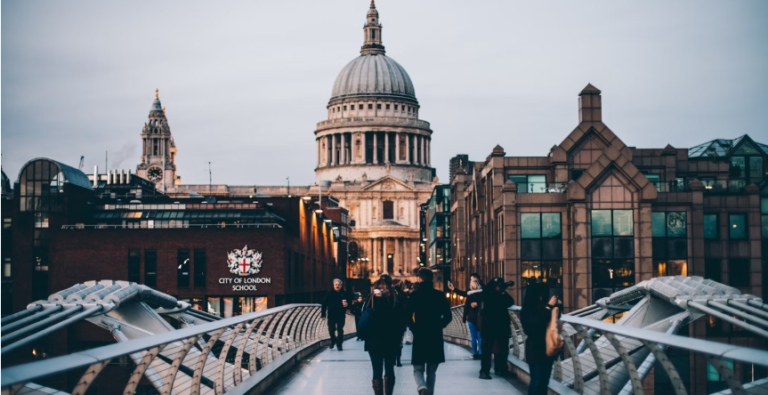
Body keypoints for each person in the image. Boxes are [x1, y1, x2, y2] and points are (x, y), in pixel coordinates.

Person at [407, 268, 452, 395]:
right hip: (435, 335)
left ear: (420, 279)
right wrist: (439, 326)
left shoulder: (415, 295)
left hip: (420, 335)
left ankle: (422, 388)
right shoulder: (439, 295)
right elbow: (448, 316)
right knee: (432, 370)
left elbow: (407, 315)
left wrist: (414, 328)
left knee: (418, 368)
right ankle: (429, 392)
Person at [364, 274, 405, 395]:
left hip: (373, 339)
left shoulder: (371, 298)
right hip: (391, 339)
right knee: (389, 368)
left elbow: (363, 315)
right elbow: (401, 318)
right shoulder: (394, 298)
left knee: (376, 369)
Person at [521, 283, 559, 395]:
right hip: (534, 349)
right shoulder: (527, 309)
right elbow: (534, 324)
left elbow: (553, 322)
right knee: (536, 381)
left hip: (547, 349)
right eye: (541, 294)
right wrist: (549, 307)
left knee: (544, 382)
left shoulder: (545, 307)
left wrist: (557, 307)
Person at [478, 277, 515, 380]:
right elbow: (509, 301)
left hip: (496, 325)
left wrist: (501, 291)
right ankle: (489, 370)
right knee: (491, 349)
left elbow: (510, 301)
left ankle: (497, 370)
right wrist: (502, 292)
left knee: (500, 348)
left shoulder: (490, 293)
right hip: (493, 325)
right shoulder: (489, 294)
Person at [321, 278, 352, 351]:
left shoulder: (344, 293)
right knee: (331, 329)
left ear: (341, 285)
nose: (337, 286)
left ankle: (339, 344)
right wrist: (323, 314)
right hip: (331, 315)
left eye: (339, 285)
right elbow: (324, 304)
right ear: (333, 285)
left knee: (340, 329)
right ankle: (333, 340)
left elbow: (349, 303)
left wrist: (347, 305)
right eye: (336, 285)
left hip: (341, 315)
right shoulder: (329, 293)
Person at [462, 280, 483, 359]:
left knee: (473, 337)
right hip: (480, 318)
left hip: (471, 318)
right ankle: (481, 353)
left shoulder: (470, 296)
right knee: (480, 336)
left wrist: (464, 318)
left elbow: (466, 308)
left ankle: (474, 353)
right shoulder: (482, 296)